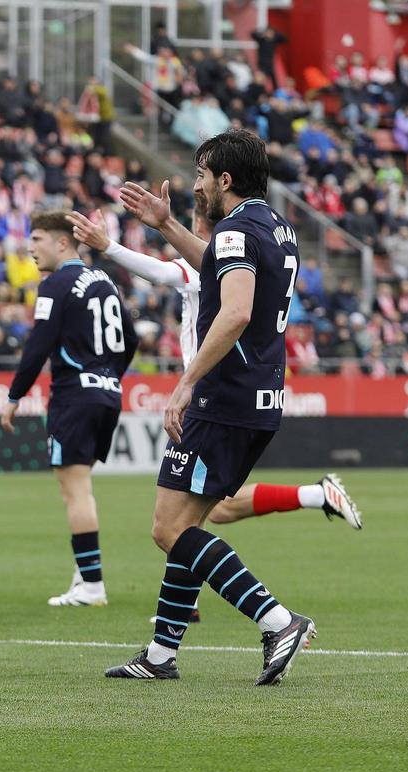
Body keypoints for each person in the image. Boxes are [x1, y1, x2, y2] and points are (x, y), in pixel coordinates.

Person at [107, 129, 316, 684]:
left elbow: (235, 310)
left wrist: (185, 382)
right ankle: (160, 655)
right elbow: (219, 272)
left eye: (200, 175)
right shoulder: (272, 226)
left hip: (223, 398)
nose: (196, 184)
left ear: (224, 179)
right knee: (191, 524)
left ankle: (276, 619)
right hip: (259, 396)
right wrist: (169, 226)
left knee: (168, 528)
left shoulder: (235, 230)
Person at [67, 201, 362, 540]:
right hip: (237, 386)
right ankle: (315, 495)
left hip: (208, 392)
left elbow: (159, 271)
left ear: (199, 223)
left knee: (173, 527)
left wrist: (108, 246)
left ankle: (255, 592)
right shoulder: (247, 257)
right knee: (209, 512)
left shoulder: (209, 262)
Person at [0, 212, 138, 608]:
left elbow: (39, 344)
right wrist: (110, 375)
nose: (31, 248)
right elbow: (129, 338)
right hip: (108, 394)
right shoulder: (105, 281)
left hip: (74, 395)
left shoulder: (55, 284)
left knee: (74, 490)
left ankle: (92, 585)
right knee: (83, 486)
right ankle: (84, 574)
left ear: (63, 243)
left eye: (39, 239)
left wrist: (14, 398)